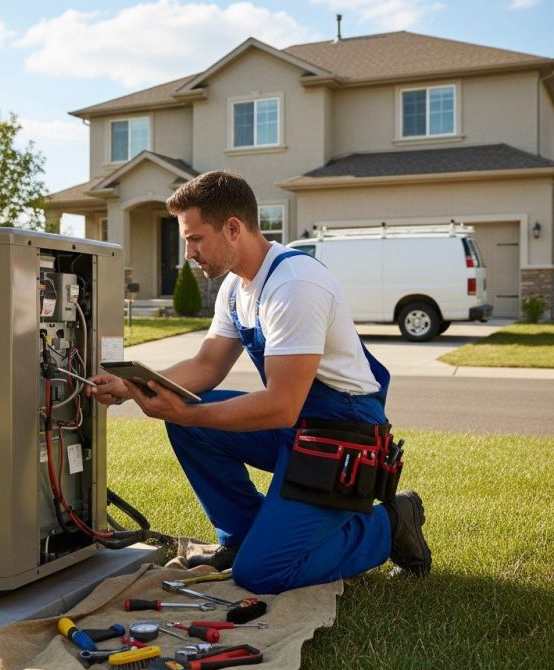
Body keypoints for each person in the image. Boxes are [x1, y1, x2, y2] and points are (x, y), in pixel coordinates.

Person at [90, 171, 431, 594]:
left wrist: (189, 410)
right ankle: (244, 538)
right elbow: (207, 364)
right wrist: (129, 387)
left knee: (263, 574)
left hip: (342, 433)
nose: (188, 253)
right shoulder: (235, 288)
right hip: (296, 424)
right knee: (186, 420)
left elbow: (282, 405)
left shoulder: (295, 285)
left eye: (195, 239)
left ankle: (391, 523)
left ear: (233, 228)